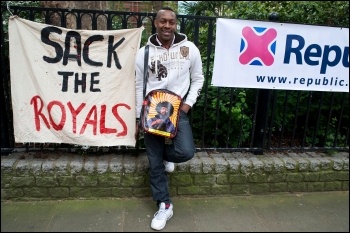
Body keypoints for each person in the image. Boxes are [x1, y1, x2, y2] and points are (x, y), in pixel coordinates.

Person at [135, 6, 204, 231]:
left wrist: (187, 105)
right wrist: (139, 116)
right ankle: (164, 204)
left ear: (176, 24)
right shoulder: (144, 53)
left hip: (177, 111)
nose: (167, 26)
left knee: (185, 151)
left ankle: (166, 157)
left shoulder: (189, 49)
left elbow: (198, 79)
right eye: (162, 21)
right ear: (155, 23)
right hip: (152, 113)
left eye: (171, 22)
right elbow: (138, 85)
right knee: (154, 163)